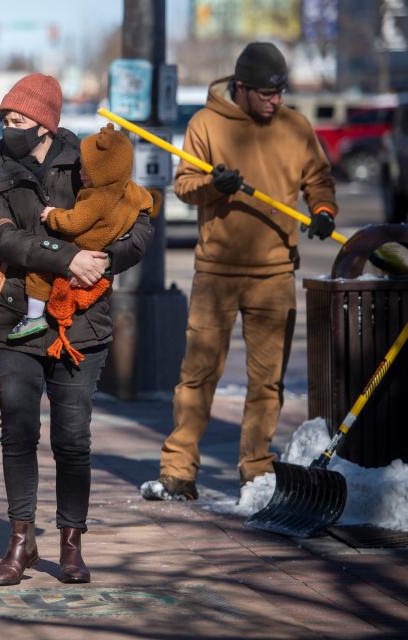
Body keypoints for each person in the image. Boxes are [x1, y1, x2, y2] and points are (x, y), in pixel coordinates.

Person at [141, 42, 339, 502]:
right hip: (216, 274)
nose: (277, 101)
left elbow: (318, 178)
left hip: (274, 273)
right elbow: (185, 186)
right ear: (242, 88)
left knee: (266, 381)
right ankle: (178, 471)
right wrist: (214, 184)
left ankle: (256, 471)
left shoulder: (295, 126)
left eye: (281, 91)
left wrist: (324, 210)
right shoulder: (205, 124)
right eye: (268, 93)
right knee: (198, 374)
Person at [0, 73, 153, 586]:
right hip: (15, 319)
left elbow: (138, 218)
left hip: (81, 322)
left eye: (19, 120)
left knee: (73, 439)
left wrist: (105, 260)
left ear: (46, 123)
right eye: (5, 119)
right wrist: (67, 255)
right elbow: (2, 237)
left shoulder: (91, 157)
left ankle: (70, 544)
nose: (10, 128)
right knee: (18, 431)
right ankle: (19, 540)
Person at [9, 124, 153, 366]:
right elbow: (148, 202)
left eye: (88, 169)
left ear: (106, 170)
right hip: (101, 251)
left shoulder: (95, 197)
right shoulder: (131, 192)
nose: (82, 173)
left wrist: (53, 215)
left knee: (39, 271)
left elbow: (75, 223)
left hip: (81, 245)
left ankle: (34, 316)